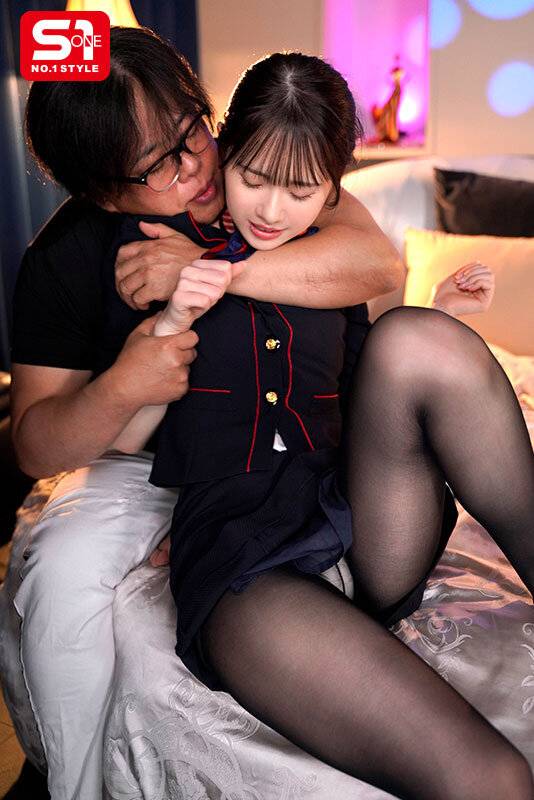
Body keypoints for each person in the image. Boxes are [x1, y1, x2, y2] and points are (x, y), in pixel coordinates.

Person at [108, 52, 533, 799]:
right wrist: (174, 320)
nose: (272, 210)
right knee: (493, 778)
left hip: (357, 525)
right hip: (247, 559)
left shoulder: (331, 269)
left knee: (414, 336)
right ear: (224, 152)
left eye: (301, 191)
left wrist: (437, 314)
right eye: (253, 178)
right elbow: (125, 434)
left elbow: (369, 392)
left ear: (333, 189)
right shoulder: (171, 263)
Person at [0, 26, 403, 800]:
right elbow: (34, 444)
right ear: (104, 194)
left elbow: (377, 263)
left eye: (192, 129)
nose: (197, 167)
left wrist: (213, 270)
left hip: (268, 453)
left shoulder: (259, 170)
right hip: (133, 462)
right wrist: (125, 384)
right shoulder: (63, 257)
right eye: (159, 165)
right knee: (58, 574)